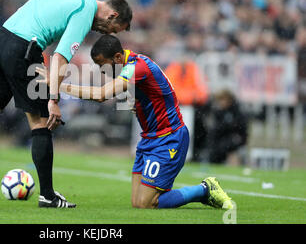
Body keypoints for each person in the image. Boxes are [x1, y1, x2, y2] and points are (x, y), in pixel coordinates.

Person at [0, 0, 133, 208]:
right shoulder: (85, 12)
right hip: (24, 48)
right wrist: (53, 100)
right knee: (41, 122)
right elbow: (60, 57)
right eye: (113, 29)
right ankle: (47, 195)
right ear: (112, 15)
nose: (106, 33)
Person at [37, 35, 233, 210]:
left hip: (169, 138)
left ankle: (204, 189)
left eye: (103, 65)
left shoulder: (136, 67)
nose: (102, 71)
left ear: (117, 58)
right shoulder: (130, 67)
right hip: (149, 140)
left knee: (149, 203)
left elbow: (101, 95)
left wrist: (57, 85)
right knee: (138, 203)